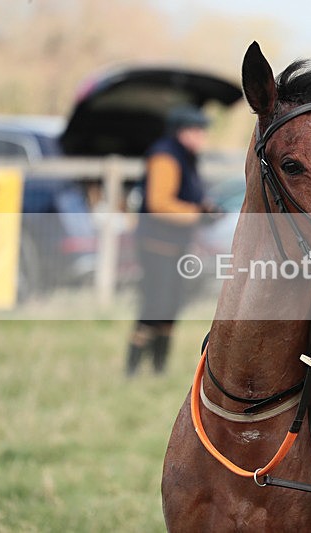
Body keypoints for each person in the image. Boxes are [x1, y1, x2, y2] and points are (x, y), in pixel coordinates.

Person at [125, 104, 214, 376]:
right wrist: (197, 214)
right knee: (155, 306)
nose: (202, 137)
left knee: (171, 306)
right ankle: (133, 369)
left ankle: (158, 368)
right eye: (197, 131)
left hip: (176, 246)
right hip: (157, 245)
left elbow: (188, 195)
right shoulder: (165, 157)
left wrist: (206, 207)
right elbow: (159, 202)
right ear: (182, 132)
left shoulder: (185, 157)